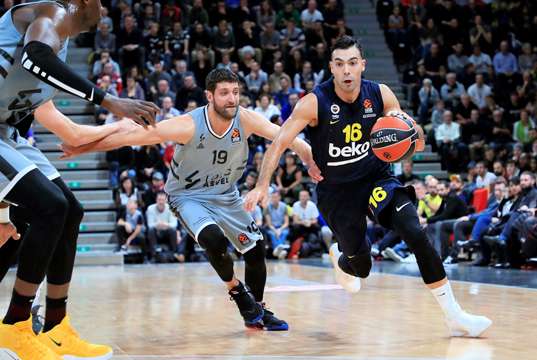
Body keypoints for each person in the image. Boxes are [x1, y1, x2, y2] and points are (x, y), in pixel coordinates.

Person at [244, 36, 492, 337]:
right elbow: (280, 142)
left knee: (415, 231)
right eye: (339, 64)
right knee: (360, 267)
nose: (346, 70)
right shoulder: (314, 102)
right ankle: (342, 255)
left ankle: (455, 316)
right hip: (337, 192)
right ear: (332, 68)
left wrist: (411, 129)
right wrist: (262, 184)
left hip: (377, 179)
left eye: (352, 63)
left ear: (362, 64)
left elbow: (412, 141)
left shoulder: (382, 95)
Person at [61, 69, 319, 331]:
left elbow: (286, 137)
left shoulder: (247, 119)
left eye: (236, 92)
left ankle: (259, 311)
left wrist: (309, 157)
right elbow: (130, 137)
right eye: (224, 93)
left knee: (255, 251)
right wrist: (83, 147)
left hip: (225, 193)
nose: (232, 99)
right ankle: (237, 292)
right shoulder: (189, 124)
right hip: (187, 195)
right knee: (214, 240)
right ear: (209, 96)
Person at [0, 1, 159, 359]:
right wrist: (109, 101)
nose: (105, 9)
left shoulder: (62, 43)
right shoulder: (50, 16)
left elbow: (45, 120)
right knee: (49, 207)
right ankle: (14, 325)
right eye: (101, 2)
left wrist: (117, 128)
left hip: (6, 133)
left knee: (70, 209)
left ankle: (56, 327)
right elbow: (34, 57)